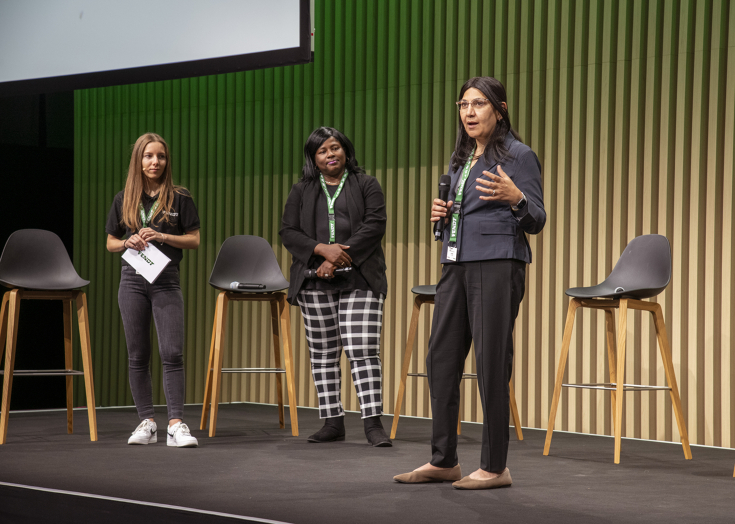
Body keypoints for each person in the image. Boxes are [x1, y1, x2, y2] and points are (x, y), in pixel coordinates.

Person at [394, 77, 546, 488]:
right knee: (440, 360)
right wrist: (442, 219)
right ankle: (443, 459)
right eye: (463, 104)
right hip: (455, 264)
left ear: (500, 109)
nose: (469, 112)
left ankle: (495, 467)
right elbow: (463, 214)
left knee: (491, 363)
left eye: (479, 104)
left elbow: (537, 219)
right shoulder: (459, 160)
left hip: (497, 263)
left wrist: (516, 197)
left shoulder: (519, 155)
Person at [280, 126, 391, 447]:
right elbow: (288, 231)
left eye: (335, 148)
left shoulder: (367, 184)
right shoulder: (301, 190)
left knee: (362, 351)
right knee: (323, 355)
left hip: (360, 277)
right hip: (314, 280)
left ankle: (372, 424)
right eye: (322, 151)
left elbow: (375, 225)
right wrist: (320, 251)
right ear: (313, 159)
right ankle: (332, 422)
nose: (330, 155)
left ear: (346, 150)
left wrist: (337, 256)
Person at [106, 132, 201, 447]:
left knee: (172, 353)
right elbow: (110, 242)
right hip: (131, 279)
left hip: (166, 279)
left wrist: (163, 237)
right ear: (138, 160)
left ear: (166, 160)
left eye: (160, 156)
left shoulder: (179, 197)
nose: (155, 162)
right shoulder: (124, 198)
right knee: (138, 354)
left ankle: (176, 423)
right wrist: (126, 241)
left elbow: (194, 239)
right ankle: (146, 421)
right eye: (148, 156)